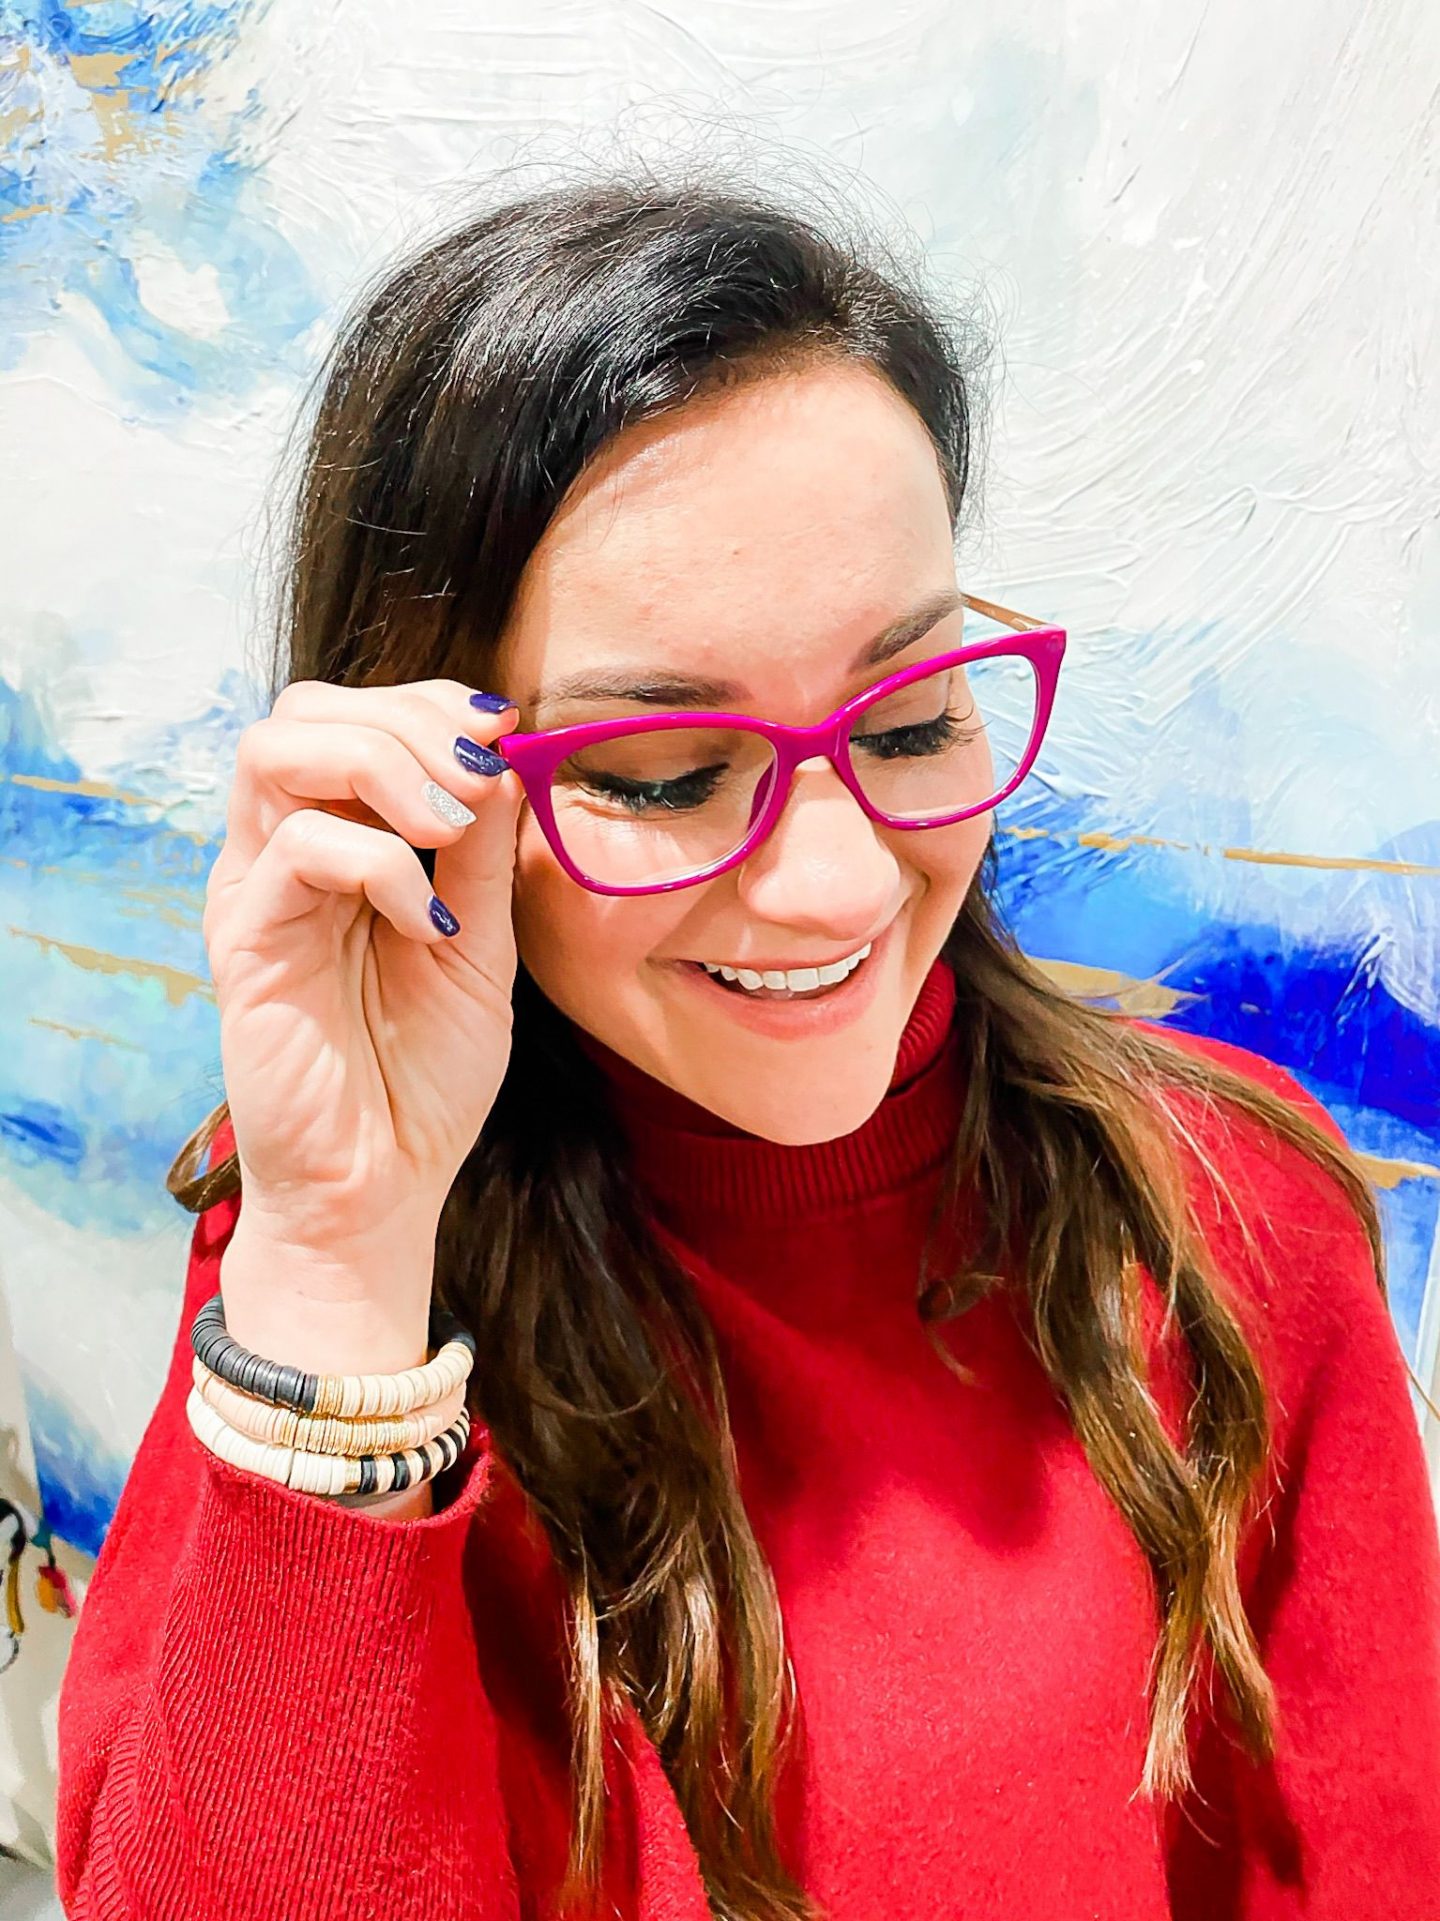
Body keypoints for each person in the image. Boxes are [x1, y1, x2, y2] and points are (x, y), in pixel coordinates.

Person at [54, 173, 1440, 1921]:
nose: (839, 880)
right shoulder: (331, 1279)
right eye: (660, 773)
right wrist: (334, 1259)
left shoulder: (1238, 1216)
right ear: (433, 789)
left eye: (914, 711)